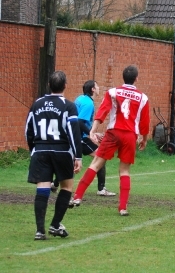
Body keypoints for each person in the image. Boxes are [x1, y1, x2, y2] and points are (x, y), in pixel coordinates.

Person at [70, 65, 150, 216]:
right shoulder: (143, 97)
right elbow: (145, 124)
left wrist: (93, 130)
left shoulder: (112, 92)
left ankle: (77, 197)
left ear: (123, 77)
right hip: (130, 135)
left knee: (95, 164)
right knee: (124, 170)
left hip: (113, 132)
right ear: (136, 78)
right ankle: (122, 208)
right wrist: (144, 139)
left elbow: (102, 112)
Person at [26, 71, 82, 240]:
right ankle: (55, 225)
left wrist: (32, 150)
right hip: (62, 151)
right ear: (65, 85)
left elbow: (28, 130)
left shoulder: (36, 104)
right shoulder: (68, 105)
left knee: (42, 187)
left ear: (49, 85)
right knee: (66, 187)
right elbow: (73, 132)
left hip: (41, 150)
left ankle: (39, 231)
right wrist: (78, 156)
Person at [52, 80, 116, 197]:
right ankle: (101, 189)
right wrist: (91, 133)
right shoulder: (88, 104)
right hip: (80, 137)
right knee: (101, 157)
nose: (98, 88)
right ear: (92, 89)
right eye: (97, 86)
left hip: (72, 136)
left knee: (71, 163)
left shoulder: (80, 99)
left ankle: (55, 184)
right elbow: (79, 122)